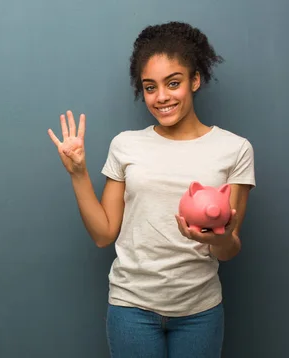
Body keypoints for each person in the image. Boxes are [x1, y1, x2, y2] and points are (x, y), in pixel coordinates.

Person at [48, 21, 255, 358]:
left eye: (173, 83)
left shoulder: (234, 150)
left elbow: (228, 249)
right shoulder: (126, 145)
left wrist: (215, 238)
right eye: (149, 87)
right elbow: (103, 234)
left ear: (195, 80)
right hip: (132, 308)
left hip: (199, 311)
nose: (161, 97)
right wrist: (79, 174)